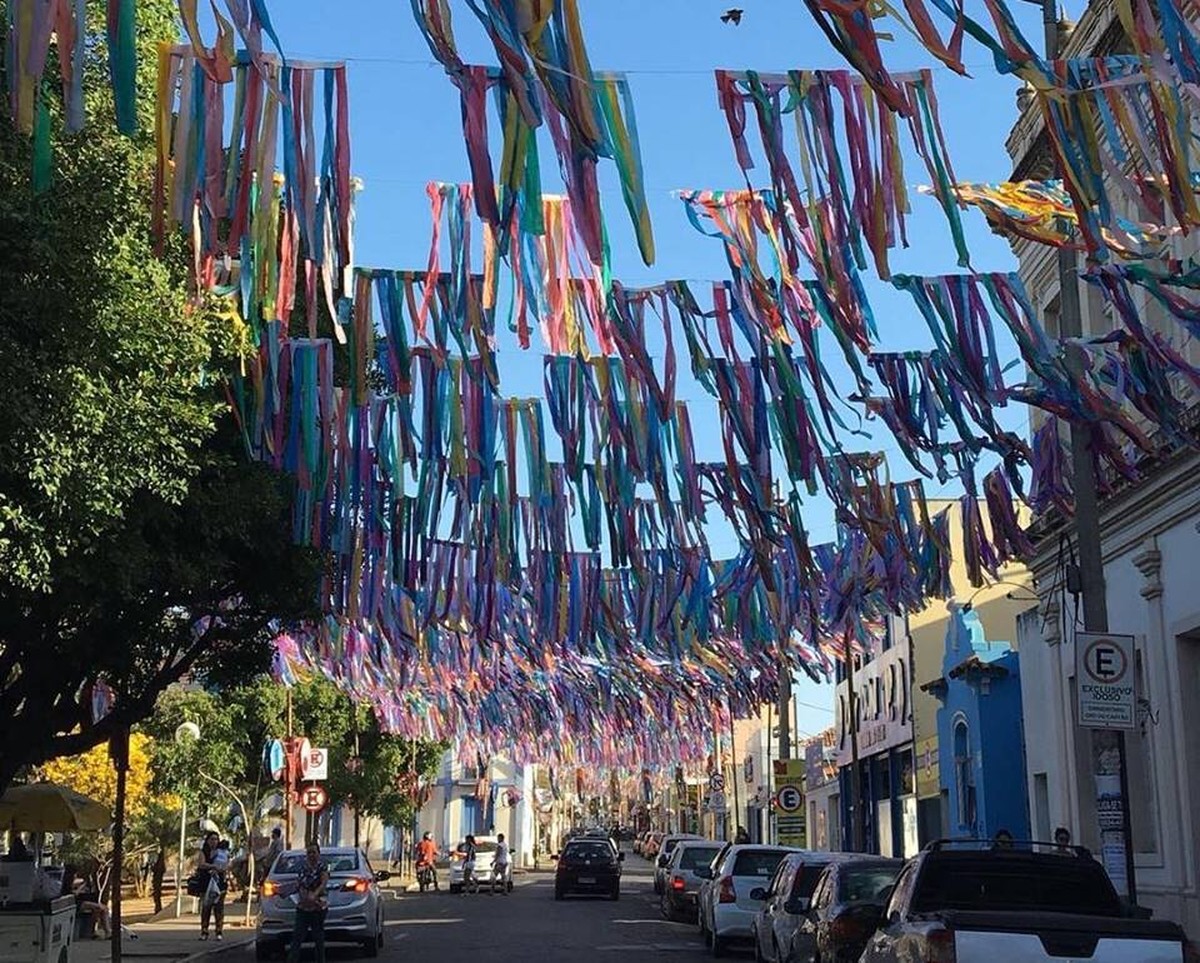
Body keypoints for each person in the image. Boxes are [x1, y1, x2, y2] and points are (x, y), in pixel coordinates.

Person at [288, 843, 329, 963]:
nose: (311, 855)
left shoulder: (322, 867)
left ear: (318, 854)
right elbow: (300, 884)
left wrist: (314, 895)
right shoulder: (303, 868)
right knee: (297, 938)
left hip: (318, 908)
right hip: (303, 908)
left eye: (314, 852)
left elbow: (323, 883)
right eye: (309, 852)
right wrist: (304, 896)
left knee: (318, 938)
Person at [61, 865, 112, 939]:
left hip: (75, 903)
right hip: (75, 904)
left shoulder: (66, 882)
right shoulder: (67, 883)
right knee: (103, 908)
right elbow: (73, 894)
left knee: (97, 909)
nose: (76, 876)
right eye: (75, 874)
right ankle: (107, 932)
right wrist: (80, 888)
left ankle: (93, 931)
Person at [197, 831, 227, 941]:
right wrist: (213, 866)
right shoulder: (203, 852)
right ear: (208, 841)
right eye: (212, 839)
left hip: (219, 884)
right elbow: (201, 864)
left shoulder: (222, 852)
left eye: (216, 839)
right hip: (206, 883)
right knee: (206, 908)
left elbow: (226, 865)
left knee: (219, 909)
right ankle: (204, 931)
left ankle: (219, 931)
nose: (214, 842)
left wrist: (222, 868)